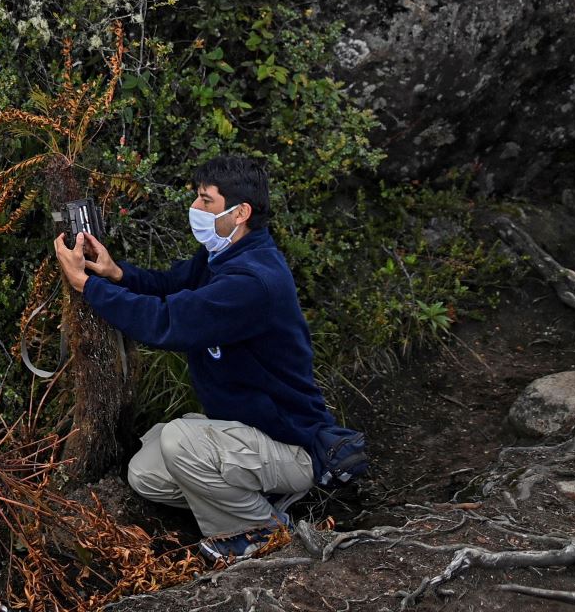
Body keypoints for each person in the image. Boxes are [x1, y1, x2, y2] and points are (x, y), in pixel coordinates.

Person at [51, 153, 361, 561]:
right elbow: (167, 287)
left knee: (182, 441)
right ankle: (249, 507)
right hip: (246, 431)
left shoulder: (252, 282)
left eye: (205, 201)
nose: (194, 209)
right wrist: (116, 274)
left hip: (293, 445)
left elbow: (167, 323)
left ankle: (256, 536)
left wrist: (85, 285)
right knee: (146, 471)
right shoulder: (223, 256)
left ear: (241, 212)